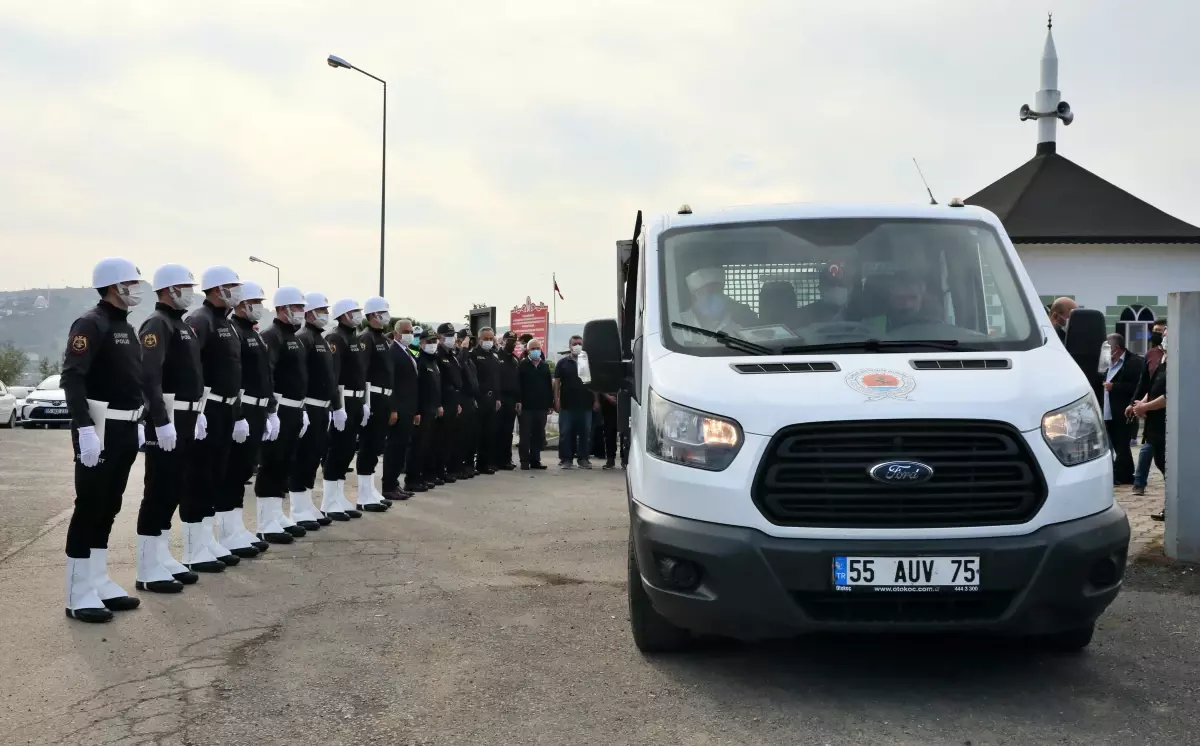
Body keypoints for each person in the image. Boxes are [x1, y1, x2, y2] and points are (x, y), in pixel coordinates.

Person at [61, 257, 147, 622]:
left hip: (126, 427)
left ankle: (97, 579)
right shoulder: (90, 323)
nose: (137, 289)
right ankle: (77, 592)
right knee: (90, 505)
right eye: (131, 283)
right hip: (100, 427)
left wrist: (139, 418)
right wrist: (84, 429)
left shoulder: (125, 327)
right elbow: (73, 377)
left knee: (110, 505)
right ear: (114, 286)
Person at [135, 263, 206, 591]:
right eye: (184, 287)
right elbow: (149, 376)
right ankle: (146, 569)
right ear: (168, 290)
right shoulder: (157, 324)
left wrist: (198, 412)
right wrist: (160, 421)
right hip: (168, 418)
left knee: (174, 489)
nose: (190, 293)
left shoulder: (182, 326)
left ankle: (161, 556)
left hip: (187, 416)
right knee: (158, 490)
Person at [185, 265, 247, 569]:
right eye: (232, 286)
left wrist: (238, 414)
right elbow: (190, 367)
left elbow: (233, 372)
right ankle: (193, 547)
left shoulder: (227, 323)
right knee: (199, 476)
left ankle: (207, 539)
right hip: (207, 409)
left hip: (226, 408)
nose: (237, 291)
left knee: (216, 476)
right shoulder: (200, 320)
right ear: (216, 289)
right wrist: (196, 409)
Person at [219, 281, 273, 554]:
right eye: (256, 303)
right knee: (232, 471)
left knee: (242, 471)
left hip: (257, 408)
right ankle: (226, 532)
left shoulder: (251, 332)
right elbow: (234, 377)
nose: (260, 308)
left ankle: (236, 527)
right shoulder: (234, 331)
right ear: (242, 305)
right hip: (242, 407)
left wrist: (269, 410)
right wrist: (238, 413)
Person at [255, 286, 310, 543]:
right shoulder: (272, 335)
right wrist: (270, 411)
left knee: (285, 463)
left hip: (295, 408)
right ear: (282, 308)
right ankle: (265, 521)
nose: (301, 312)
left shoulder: (295, 337)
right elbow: (268, 375)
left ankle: (276, 514)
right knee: (272, 463)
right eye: (297, 307)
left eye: (302, 307)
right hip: (280, 407)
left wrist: (303, 409)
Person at [288, 292, 343, 530]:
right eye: (321, 310)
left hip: (322, 408)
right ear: (309, 313)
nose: (325, 314)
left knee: (313, 456)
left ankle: (307, 502)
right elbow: (300, 376)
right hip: (309, 405)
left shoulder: (320, 338)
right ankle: (297, 508)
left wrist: (334, 406)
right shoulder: (303, 337)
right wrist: (303, 408)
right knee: (302, 457)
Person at [320, 298, 366, 520]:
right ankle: (329, 501)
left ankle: (338, 496)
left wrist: (365, 403)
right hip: (343, 400)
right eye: (354, 311)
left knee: (348, 450)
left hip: (356, 400)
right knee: (337, 450)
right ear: (343, 315)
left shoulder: (353, 337)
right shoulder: (335, 337)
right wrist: (337, 407)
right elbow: (334, 375)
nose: (358, 314)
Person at [354, 296, 395, 512]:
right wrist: (365, 401)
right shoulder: (366, 338)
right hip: (373, 396)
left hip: (384, 397)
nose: (386, 316)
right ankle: (362, 494)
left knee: (376, 445)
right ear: (372, 315)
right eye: (382, 313)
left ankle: (370, 490)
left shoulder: (384, 340)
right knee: (368, 445)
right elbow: (362, 371)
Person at [1129, 327, 1168, 519]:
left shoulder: (1177, 363)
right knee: (1161, 463)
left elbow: (1168, 396)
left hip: (1166, 423)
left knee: (1167, 466)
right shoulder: (1162, 360)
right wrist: (1142, 402)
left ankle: (1172, 506)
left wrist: (1146, 407)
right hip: (1155, 425)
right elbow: (1152, 387)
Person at [382, 318, 419, 501]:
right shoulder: (393, 351)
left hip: (408, 407)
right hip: (399, 408)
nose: (410, 334)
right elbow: (391, 383)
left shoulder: (406, 351)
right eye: (406, 331)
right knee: (394, 448)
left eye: (411, 331)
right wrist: (393, 408)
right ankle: (388, 485)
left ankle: (395, 483)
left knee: (401, 447)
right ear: (396, 334)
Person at [1100, 333, 1143, 486]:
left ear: (1117, 348)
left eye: (1108, 348)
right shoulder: (1106, 363)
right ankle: (1124, 474)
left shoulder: (1134, 362)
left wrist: (1115, 387)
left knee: (1122, 444)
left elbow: (1138, 387)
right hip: (1107, 411)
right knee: (1114, 445)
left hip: (1124, 411)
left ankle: (1122, 475)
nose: (1105, 351)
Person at [676, 263, 758, 342]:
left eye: (718, 292)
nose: (715, 298)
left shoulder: (737, 324)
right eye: (709, 293)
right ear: (694, 296)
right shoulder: (679, 324)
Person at [405, 328, 442, 492]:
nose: (433, 345)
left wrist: (439, 405)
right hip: (422, 409)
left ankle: (423, 476)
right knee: (417, 446)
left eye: (435, 342)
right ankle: (412, 480)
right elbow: (416, 388)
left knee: (428, 445)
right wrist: (417, 411)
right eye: (429, 342)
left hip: (432, 409)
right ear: (421, 343)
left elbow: (436, 387)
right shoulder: (419, 361)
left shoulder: (433, 361)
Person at [555, 335, 597, 469]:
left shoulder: (587, 362)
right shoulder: (562, 363)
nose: (577, 346)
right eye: (574, 344)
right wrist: (556, 400)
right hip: (567, 405)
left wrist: (596, 400)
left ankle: (583, 459)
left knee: (585, 433)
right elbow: (557, 383)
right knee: (565, 433)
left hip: (585, 405)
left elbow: (593, 383)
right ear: (570, 346)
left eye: (579, 343)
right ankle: (566, 459)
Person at [432, 322, 465, 483]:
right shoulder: (437, 354)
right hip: (443, 401)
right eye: (449, 336)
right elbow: (438, 382)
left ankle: (444, 469)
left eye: (453, 335)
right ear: (440, 337)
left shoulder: (451, 354)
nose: (452, 338)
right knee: (439, 439)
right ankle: (437, 471)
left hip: (453, 400)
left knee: (449, 438)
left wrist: (458, 402)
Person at [469, 327, 502, 475]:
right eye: (486, 338)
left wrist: (498, 397)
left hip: (492, 398)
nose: (488, 341)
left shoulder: (494, 356)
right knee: (476, 433)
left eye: (491, 338)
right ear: (479, 339)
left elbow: (497, 379)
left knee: (489, 432)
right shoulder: (473, 355)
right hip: (479, 398)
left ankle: (485, 463)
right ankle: (470, 463)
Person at [517, 337, 552, 470]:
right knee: (525, 435)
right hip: (526, 407)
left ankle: (535, 460)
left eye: (538, 348)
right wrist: (518, 401)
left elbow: (549, 386)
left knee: (538, 434)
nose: (536, 351)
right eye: (533, 349)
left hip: (541, 407)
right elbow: (518, 385)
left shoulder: (544, 366)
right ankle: (524, 461)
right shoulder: (522, 365)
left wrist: (550, 403)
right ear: (528, 350)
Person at [493, 331, 521, 470]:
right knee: (497, 430)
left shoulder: (515, 360)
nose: (511, 343)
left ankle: (506, 459)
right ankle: (495, 460)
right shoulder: (497, 357)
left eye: (513, 340)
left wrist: (518, 400)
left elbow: (518, 382)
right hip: (499, 398)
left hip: (511, 399)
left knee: (508, 431)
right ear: (503, 341)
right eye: (509, 340)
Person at [456, 328, 480, 479]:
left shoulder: (469, 358)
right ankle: (460, 466)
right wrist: (463, 348)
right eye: (465, 339)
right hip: (462, 399)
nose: (469, 342)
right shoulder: (458, 356)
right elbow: (459, 364)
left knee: (471, 435)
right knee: (461, 436)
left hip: (471, 400)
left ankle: (469, 465)